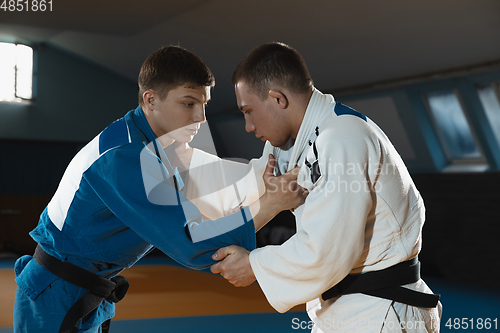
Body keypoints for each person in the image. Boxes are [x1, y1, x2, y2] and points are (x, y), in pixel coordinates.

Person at [13, 45, 308, 333]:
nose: (200, 118)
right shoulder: (126, 157)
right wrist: (270, 204)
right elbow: (191, 242)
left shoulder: (161, 144)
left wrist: (276, 168)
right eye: (189, 103)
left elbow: (228, 182)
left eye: (204, 104)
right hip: (56, 294)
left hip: (81, 288)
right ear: (151, 100)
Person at [211, 42, 443, 332]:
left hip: (380, 311)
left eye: (248, 111)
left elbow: (326, 251)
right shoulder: (289, 143)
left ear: (278, 99)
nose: (247, 125)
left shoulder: (342, 137)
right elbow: (246, 190)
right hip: (342, 309)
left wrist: (254, 265)